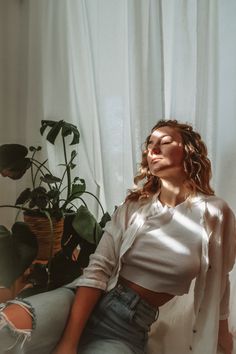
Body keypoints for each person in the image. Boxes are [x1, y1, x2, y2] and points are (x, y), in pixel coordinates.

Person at [0, 119, 235, 354]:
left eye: (165, 142)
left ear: (189, 151)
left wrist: (224, 339)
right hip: (76, 304)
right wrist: (69, 343)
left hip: (126, 328)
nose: (153, 149)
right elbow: (98, 269)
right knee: (5, 331)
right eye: (150, 143)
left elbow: (219, 282)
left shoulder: (213, 212)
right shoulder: (134, 206)